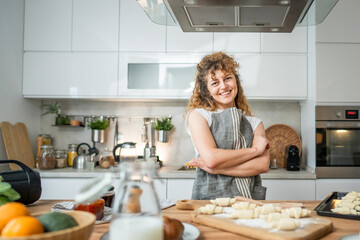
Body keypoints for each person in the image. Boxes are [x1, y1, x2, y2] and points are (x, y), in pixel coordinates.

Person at [185, 52, 270, 200]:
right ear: (207, 91)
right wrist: (255, 150)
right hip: (209, 202)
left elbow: (262, 165)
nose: (223, 86)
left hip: (248, 201)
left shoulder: (255, 123)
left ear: (236, 81)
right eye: (215, 83)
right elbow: (212, 158)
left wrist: (216, 169)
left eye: (227, 78)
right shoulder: (198, 116)